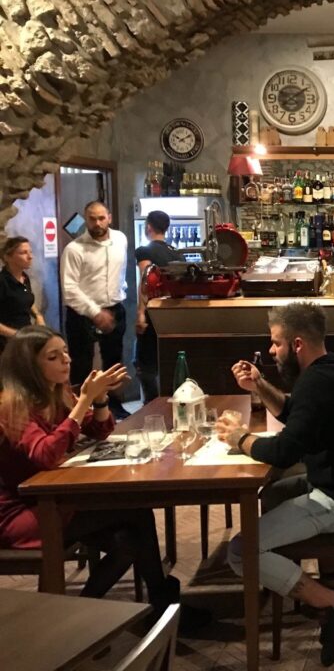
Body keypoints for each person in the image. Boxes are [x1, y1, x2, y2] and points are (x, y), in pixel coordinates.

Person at [0, 326, 202, 624]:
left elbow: (99, 430)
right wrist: (84, 400)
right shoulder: (11, 406)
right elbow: (45, 454)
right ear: (30, 366)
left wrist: (100, 399)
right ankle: (158, 603)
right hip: (22, 512)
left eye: (65, 352)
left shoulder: (55, 393)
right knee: (136, 513)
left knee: (128, 540)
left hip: (54, 498)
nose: (66, 360)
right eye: (54, 357)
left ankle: (86, 612)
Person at [215, 301, 334, 666]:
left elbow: (284, 452)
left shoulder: (316, 383)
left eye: (276, 342)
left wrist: (240, 438)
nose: (272, 350)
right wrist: (259, 384)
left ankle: (333, 601)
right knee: (273, 493)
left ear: (298, 343)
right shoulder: (332, 369)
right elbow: (294, 415)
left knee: (241, 551)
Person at [60, 201, 129, 418]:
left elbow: (121, 273)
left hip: (115, 308)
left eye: (101, 218)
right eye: (92, 219)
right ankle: (82, 413)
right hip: (82, 314)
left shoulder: (120, 239)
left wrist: (119, 296)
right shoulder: (74, 249)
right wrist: (95, 312)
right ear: (86, 220)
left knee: (114, 363)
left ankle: (114, 407)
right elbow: (69, 289)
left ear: (109, 218)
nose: (97, 223)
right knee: (81, 365)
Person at [134, 211, 177, 402]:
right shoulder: (175, 252)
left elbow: (145, 282)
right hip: (170, 313)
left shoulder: (144, 251)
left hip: (152, 311)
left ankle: (150, 405)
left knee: (145, 365)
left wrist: (140, 313)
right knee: (166, 360)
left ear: (148, 227)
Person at [0, 237, 45, 354]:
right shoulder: (2, 282)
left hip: (25, 338)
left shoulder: (24, 278)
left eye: (30, 252)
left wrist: (38, 315)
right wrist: (16, 335)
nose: (30, 257)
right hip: (7, 343)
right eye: (23, 253)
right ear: (7, 257)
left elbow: (26, 300)